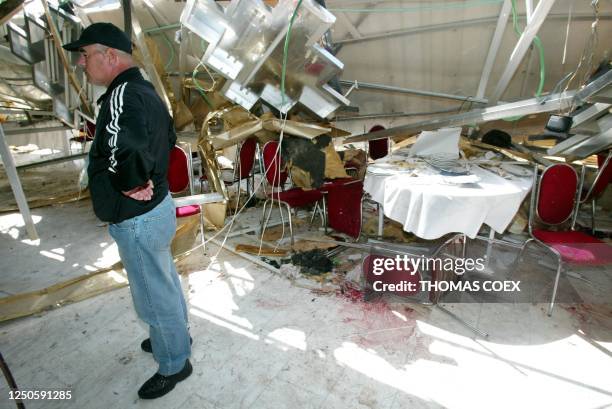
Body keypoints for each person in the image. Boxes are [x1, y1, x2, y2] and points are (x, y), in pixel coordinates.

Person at [62, 22, 192, 400]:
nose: (82, 65)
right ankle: (173, 335)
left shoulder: (122, 95)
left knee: (151, 295)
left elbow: (128, 146)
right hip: (157, 209)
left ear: (110, 56)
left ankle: (174, 362)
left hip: (138, 218)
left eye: (85, 56)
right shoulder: (147, 91)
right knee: (163, 279)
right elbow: (168, 137)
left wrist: (131, 183)